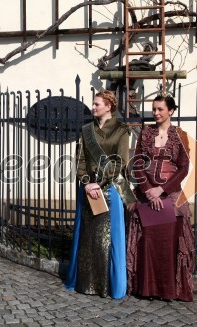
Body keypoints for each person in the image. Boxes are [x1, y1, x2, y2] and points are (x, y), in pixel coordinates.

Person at [65, 90, 135, 299]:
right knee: (87, 237)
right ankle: (85, 283)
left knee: (109, 240)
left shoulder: (122, 130)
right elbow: (80, 160)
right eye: (93, 104)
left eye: (97, 104)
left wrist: (99, 183)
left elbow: (120, 162)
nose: (93, 107)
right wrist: (87, 183)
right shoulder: (86, 130)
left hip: (110, 188)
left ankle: (110, 286)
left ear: (109, 106)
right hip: (88, 190)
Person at [126, 94, 194, 302]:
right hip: (146, 193)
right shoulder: (145, 134)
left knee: (170, 241)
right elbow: (137, 164)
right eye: (154, 109)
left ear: (171, 111)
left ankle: (169, 289)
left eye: (160, 109)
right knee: (147, 241)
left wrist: (162, 190)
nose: (155, 113)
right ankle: (146, 288)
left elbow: (184, 168)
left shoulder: (180, 136)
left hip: (170, 194)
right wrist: (148, 190)